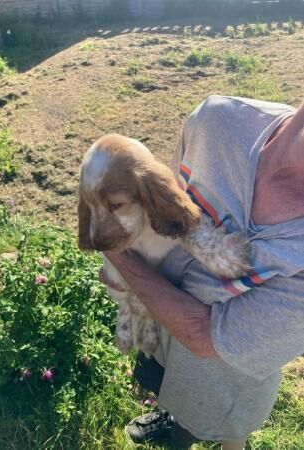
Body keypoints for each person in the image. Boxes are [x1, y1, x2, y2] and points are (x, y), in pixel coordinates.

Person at [99, 95, 304, 450]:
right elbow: (167, 204)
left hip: (230, 369)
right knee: (169, 383)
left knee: (227, 416)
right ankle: (171, 415)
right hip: (162, 319)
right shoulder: (218, 120)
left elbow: (204, 336)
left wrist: (120, 258)